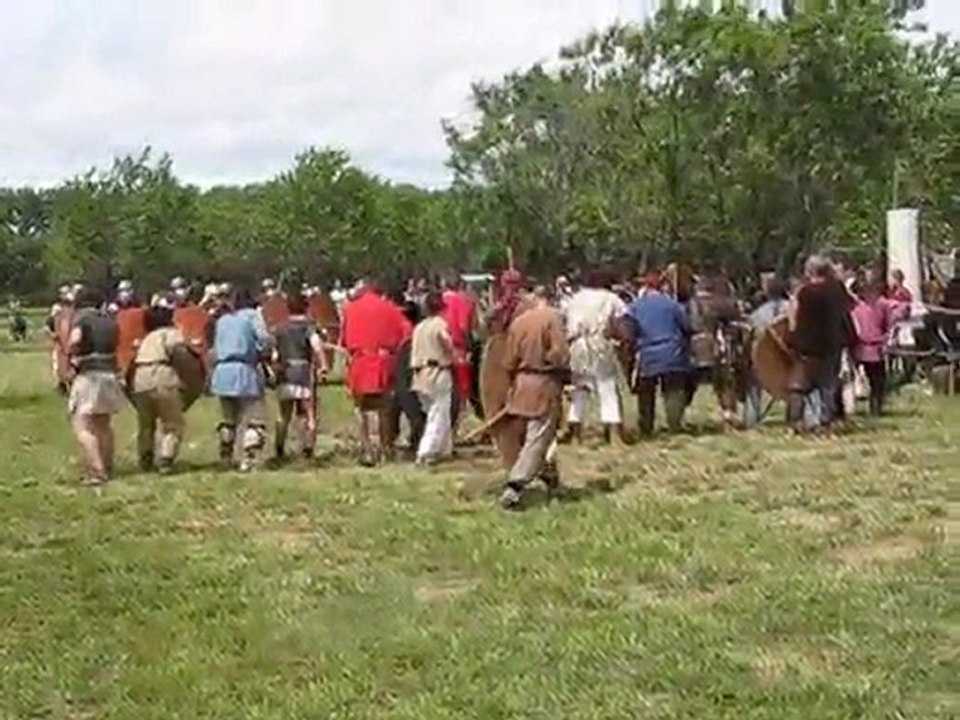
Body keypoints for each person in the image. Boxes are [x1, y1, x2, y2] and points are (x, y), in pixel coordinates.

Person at [498, 286, 570, 510]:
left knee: (540, 437)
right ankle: (515, 486)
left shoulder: (518, 322)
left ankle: (550, 477)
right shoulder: (552, 319)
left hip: (521, 385)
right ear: (547, 299)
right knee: (537, 438)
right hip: (543, 385)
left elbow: (508, 361)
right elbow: (559, 354)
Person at [340, 277, 410, 465]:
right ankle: (385, 448)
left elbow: (344, 341)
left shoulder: (350, 309)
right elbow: (407, 333)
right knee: (384, 409)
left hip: (360, 361)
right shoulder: (390, 309)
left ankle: (366, 448)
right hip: (383, 361)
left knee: (360, 408)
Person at [209, 287, 272, 471]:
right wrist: (265, 349)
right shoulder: (252, 316)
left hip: (222, 371)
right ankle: (248, 459)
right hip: (244, 369)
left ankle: (225, 457)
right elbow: (264, 339)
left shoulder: (222, 320)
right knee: (254, 417)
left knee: (228, 418)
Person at [563, 269, 628, 445]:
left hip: (577, 345)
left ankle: (576, 434)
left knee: (580, 390)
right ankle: (614, 435)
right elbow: (620, 323)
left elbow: (565, 321)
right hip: (599, 343)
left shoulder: (575, 298)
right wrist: (622, 340)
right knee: (607, 388)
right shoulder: (610, 298)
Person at [786, 255, 851, 433]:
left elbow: (793, 316)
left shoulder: (804, 292)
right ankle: (826, 421)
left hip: (807, 344)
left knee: (798, 385)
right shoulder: (837, 289)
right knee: (828, 384)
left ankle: (796, 422)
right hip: (832, 342)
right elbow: (847, 312)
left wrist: (792, 336)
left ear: (810, 271)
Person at [67, 286, 124, 486]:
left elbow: (76, 340)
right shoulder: (109, 319)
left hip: (89, 374)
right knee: (104, 424)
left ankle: (97, 471)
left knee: (83, 425)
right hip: (109, 372)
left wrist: (71, 354)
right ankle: (108, 466)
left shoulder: (82, 318)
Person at [627, 270, 692, 436]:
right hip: (672, 352)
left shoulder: (635, 307)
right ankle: (674, 425)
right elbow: (686, 326)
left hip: (648, 355)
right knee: (673, 391)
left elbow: (631, 331)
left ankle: (646, 427)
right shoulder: (672, 304)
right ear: (661, 286)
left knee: (646, 395)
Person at [129, 304, 188, 473]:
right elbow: (180, 354)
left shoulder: (145, 338)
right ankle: (166, 459)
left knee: (145, 424)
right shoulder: (170, 334)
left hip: (140, 378)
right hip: (163, 375)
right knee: (172, 423)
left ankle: (145, 457)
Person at [273, 293, 328, 460]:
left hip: (285, 370)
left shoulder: (280, 328)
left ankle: (279, 447)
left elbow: (275, 355)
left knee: (284, 414)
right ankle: (308, 448)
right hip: (303, 371)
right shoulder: (308, 326)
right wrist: (324, 365)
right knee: (309, 412)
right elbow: (316, 346)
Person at [686, 274, 743, 426]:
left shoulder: (692, 302)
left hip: (695, 347)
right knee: (725, 381)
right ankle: (728, 412)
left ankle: (678, 416)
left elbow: (689, 325)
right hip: (718, 346)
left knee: (689, 382)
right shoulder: (725, 303)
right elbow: (736, 323)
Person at [411, 291, 456, 465]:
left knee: (433, 413)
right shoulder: (439, 324)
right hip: (437, 371)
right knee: (439, 414)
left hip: (419, 373)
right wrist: (453, 354)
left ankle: (443, 448)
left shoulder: (419, 327)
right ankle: (426, 451)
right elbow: (445, 340)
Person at [743, 277, 790, 428]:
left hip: (764, 360)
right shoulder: (793, 309)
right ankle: (796, 415)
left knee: (753, 385)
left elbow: (749, 337)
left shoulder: (757, 315)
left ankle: (752, 419)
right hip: (789, 361)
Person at [851, 279, 893, 416]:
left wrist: (885, 339)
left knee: (876, 380)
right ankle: (865, 407)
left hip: (873, 347)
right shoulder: (856, 305)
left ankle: (875, 408)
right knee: (874, 380)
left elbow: (888, 324)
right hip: (861, 346)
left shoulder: (882, 305)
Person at [441, 272, 476, 427]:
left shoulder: (438, 300)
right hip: (457, 347)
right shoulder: (461, 301)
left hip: (439, 346)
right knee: (462, 388)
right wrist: (470, 345)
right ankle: (458, 424)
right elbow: (463, 326)